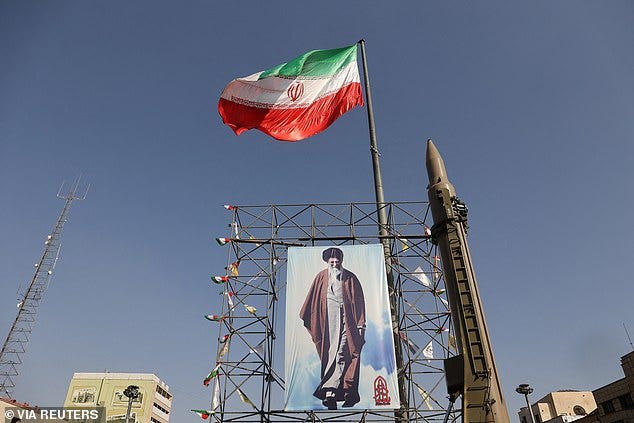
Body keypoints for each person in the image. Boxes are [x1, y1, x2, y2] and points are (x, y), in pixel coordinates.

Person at [299, 247, 366, 410]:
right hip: (329, 314)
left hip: (348, 317)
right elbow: (312, 301)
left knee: (345, 350)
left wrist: (360, 324)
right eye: (332, 261)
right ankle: (331, 391)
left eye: (337, 261)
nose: (335, 263)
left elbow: (359, 302)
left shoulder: (350, 277)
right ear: (327, 262)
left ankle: (333, 390)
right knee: (331, 352)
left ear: (341, 261)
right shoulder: (321, 276)